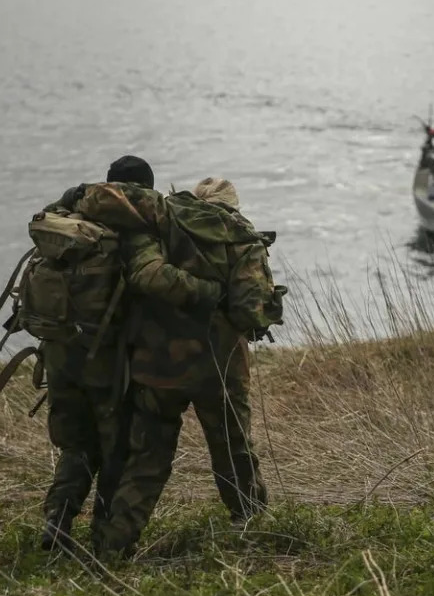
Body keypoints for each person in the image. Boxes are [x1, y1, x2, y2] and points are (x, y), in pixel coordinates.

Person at [83, 177, 278, 556]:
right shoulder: (242, 239)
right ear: (231, 206)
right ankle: (251, 524)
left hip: (158, 365)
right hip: (219, 369)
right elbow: (248, 311)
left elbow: (141, 272)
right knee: (233, 449)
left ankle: (115, 543)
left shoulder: (165, 221)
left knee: (148, 459)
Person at [38, 156, 222, 551]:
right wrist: (210, 294)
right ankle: (108, 538)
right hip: (104, 357)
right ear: (145, 188)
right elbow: (151, 276)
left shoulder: (70, 213)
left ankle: (57, 518)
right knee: (115, 446)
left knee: (76, 444)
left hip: (58, 351)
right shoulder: (136, 225)